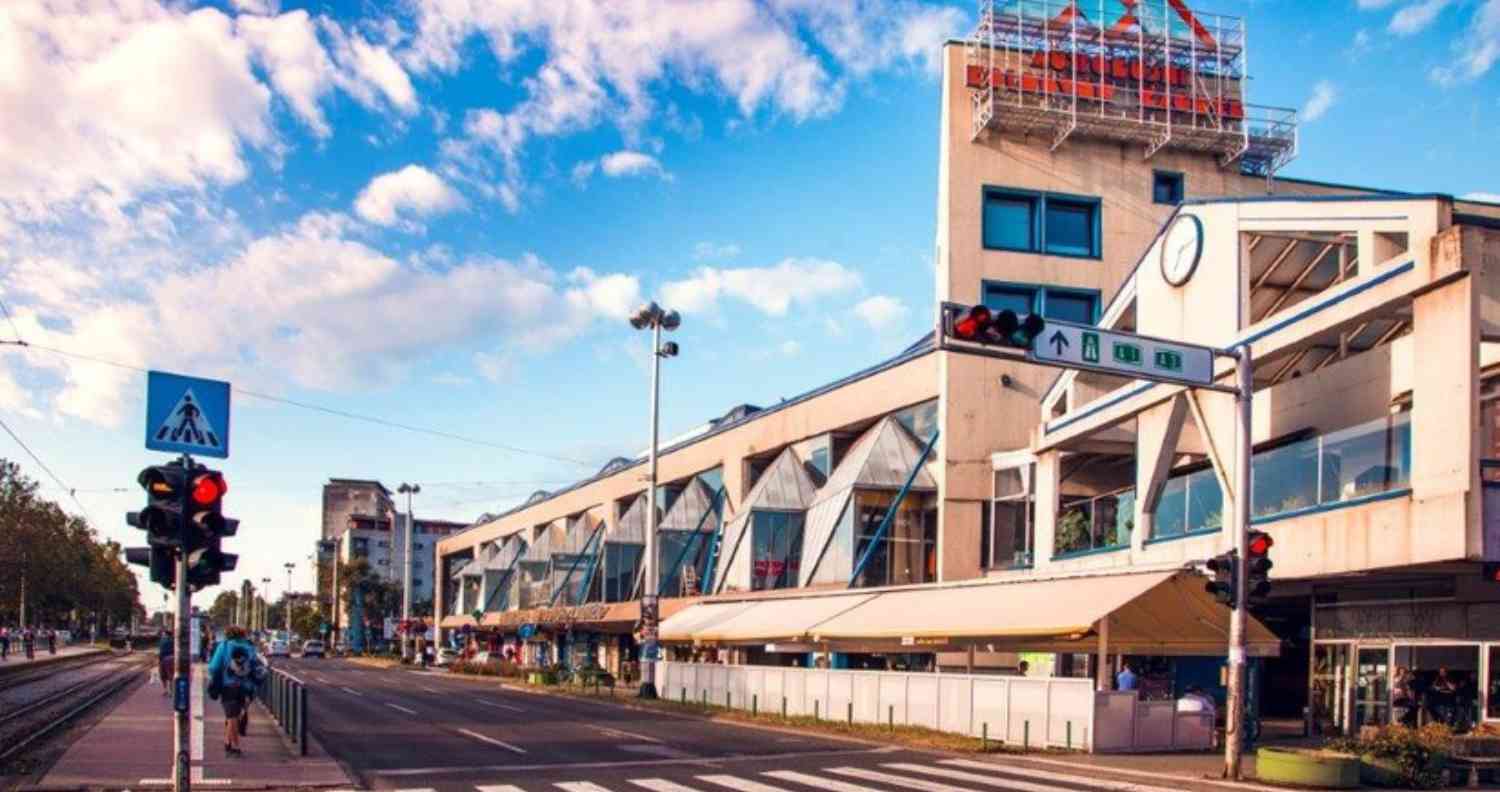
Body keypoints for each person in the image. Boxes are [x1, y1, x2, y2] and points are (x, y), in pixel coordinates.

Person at [208, 626, 262, 756]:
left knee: (232, 717)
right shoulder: (250, 648)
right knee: (235, 716)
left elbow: (214, 667)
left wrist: (216, 677)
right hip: (245, 688)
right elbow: (257, 667)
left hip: (229, 687)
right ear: (242, 635)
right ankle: (227, 743)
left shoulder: (224, 646)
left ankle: (235, 747)